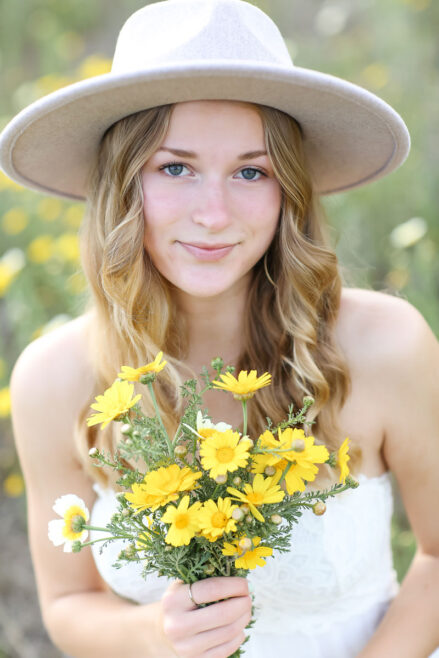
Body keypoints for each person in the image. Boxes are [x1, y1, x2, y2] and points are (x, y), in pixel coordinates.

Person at [1, 0, 438, 656]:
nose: (213, 214)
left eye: (250, 171)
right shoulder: (54, 377)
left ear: (287, 190)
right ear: (121, 188)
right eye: (174, 167)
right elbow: (68, 604)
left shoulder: (383, 345)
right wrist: (153, 633)